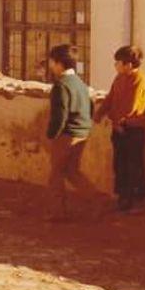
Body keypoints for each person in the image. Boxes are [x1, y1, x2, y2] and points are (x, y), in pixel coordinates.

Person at [44, 44, 100, 222]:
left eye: (52, 62)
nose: (51, 66)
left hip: (66, 134)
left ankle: (57, 213)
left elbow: (59, 115)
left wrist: (52, 135)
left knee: (56, 175)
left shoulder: (61, 85)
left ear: (59, 64)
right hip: (82, 131)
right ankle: (97, 200)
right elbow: (90, 107)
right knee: (72, 171)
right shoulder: (81, 84)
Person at [95, 45, 145, 213]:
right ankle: (122, 197)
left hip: (132, 129)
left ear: (129, 64)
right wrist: (99, 113)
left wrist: (117, 120)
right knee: (119, 164)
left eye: (118, 62)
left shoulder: (138, 78)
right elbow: (110, 97)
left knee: (133, 164)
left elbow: (131, 106)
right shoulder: (119, 77)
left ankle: (135, 200)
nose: (116, 66)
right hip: (119, 128)